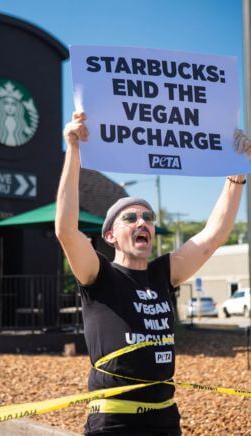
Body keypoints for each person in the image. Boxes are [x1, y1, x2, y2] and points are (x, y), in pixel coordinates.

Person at [55, 112, 250, 436]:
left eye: (147, 217)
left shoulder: (163, 273)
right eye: (129, 218)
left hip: (165, 419)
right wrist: (73, 149)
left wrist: (237, 173)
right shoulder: (98, 275)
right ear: (110, 236)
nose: (142, 221)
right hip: (113, 423)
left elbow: (213, 236)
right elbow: (65, 229)